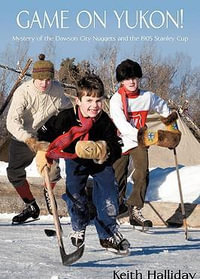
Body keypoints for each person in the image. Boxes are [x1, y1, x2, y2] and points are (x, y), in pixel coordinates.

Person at [36, 75, 130, 254]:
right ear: (78, 100)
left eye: (98, 100)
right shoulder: (65, 117)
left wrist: (102, 149)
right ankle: (78, 226)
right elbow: (43, 135)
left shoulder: (103, 121)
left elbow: (116, 146)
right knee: (75, 194)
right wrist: (41, 150)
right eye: (89, 100)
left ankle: (107, 234)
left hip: (99, 163)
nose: (94, 105)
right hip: (75, 160)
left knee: (109, 194)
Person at [110, 59, 181, 228]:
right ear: (121, 81)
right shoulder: (116, 99)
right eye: (127, 79)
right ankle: (115, 207)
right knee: (117, 176)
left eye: (134, 77)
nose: (132, 81)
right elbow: (123, 126)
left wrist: (173, 129)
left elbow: (164, 108)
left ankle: (135, 209)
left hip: (139, 142)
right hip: (120, 139)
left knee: (142, 173)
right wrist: (147, 137)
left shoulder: (147, 96)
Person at [6, 54, 72, 224]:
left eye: (48, 80)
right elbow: (11, 122)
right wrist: (28, 139)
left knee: (52, 169)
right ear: (34, 78)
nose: (44, 84)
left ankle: (48, 191)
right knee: (14, 172)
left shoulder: (57, 89)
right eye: (40, 80)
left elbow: (67, 106)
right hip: (24, 134)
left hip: (44, 131)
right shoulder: (23, 92)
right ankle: (31, 206)